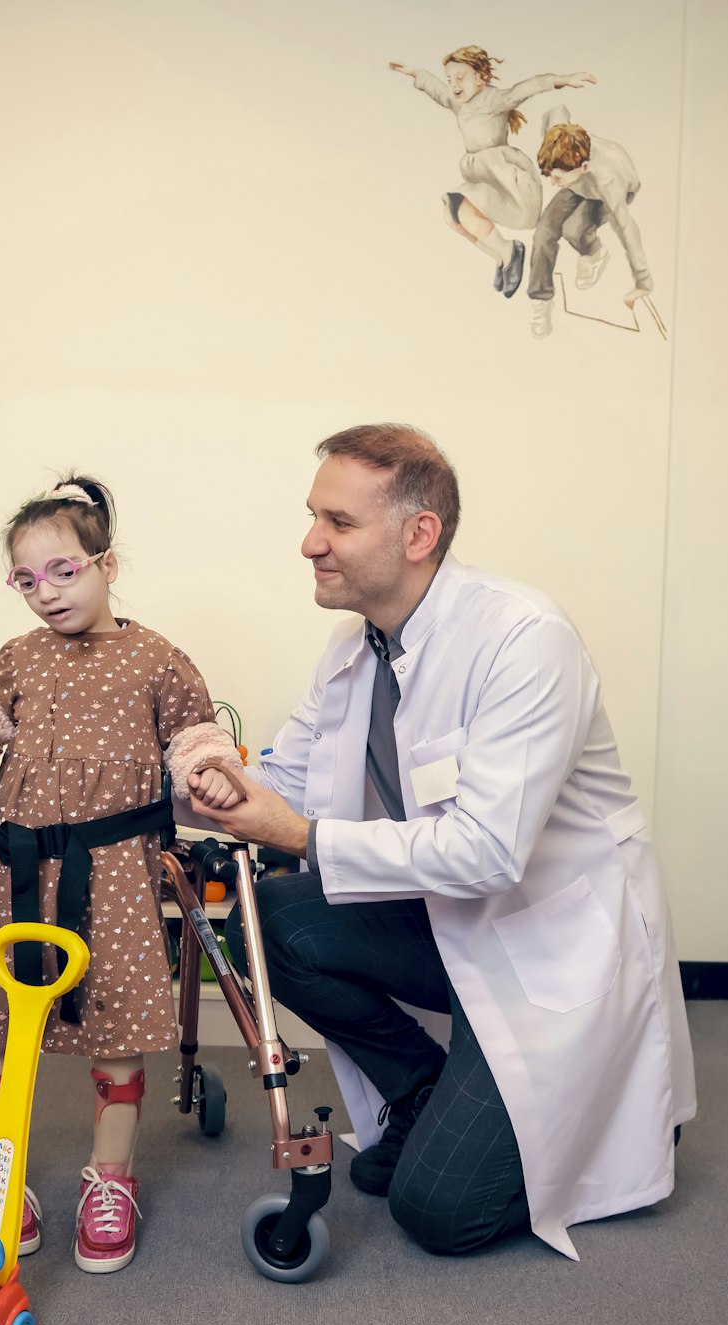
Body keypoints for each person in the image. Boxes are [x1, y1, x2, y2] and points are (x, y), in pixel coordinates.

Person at [190, 424, 696, 1260]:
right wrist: (193, 765)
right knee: (273, 921)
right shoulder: (356, 647)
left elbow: (489, 853)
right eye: (314, 516)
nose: (310, 542)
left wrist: (304, 833)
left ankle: (614, 1121)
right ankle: (423, 1089)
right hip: (449, 922)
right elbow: (286, 771)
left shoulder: (524, 640)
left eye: (339, 523)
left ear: (419, 535)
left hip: (552, 945)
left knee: (437, 1213)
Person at [0, 474, 243, 1272]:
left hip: (112, 874)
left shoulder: (155, 657)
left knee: (116, 1029)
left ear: (106, 563)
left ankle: (109, 1183)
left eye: (63, 571)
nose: (45, 593)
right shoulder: (21, 656)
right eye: (26, 580)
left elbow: (196, 736)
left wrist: (210, 772)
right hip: (19, 869)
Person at [389, 49, 596, 297]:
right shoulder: (458, 101)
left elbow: (528, 87)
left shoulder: (494, 99)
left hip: (505, 177)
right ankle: (503, 256)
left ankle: (510, 252)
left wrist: (562, 80)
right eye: (450, 78)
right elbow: (436, 90)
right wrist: (415, 73)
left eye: (460, 77)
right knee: (450, 214)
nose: (453, 84)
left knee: (460, 205)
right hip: (483, 175)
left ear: (480, 78)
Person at [528, 118, 652, 338]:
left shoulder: (609, 179)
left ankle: (594, 253)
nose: (552, 183)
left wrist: (643, 281)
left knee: (574, 229)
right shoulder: (565, 157)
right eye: (551, 176)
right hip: (576, 183)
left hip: (608, 191)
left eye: (557, 177)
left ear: (584, 167)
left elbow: (626, 226)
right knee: (543, 233)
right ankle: (541, 300)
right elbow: (555, 111)